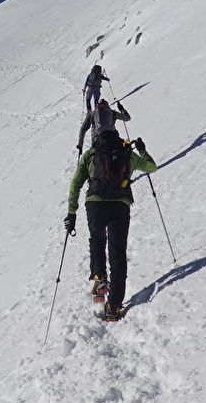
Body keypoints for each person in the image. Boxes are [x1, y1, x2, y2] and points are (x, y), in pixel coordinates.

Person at [64, 133, 156, 320]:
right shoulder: (127, 154)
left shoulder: (91, 155)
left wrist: (72, 212)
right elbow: (151, 167)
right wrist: (142, 150)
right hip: (120, 205)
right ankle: (113, 307)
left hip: (95, 204)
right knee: (117, 252)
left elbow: (75, 184)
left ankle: (99, 279)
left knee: (97, 241)